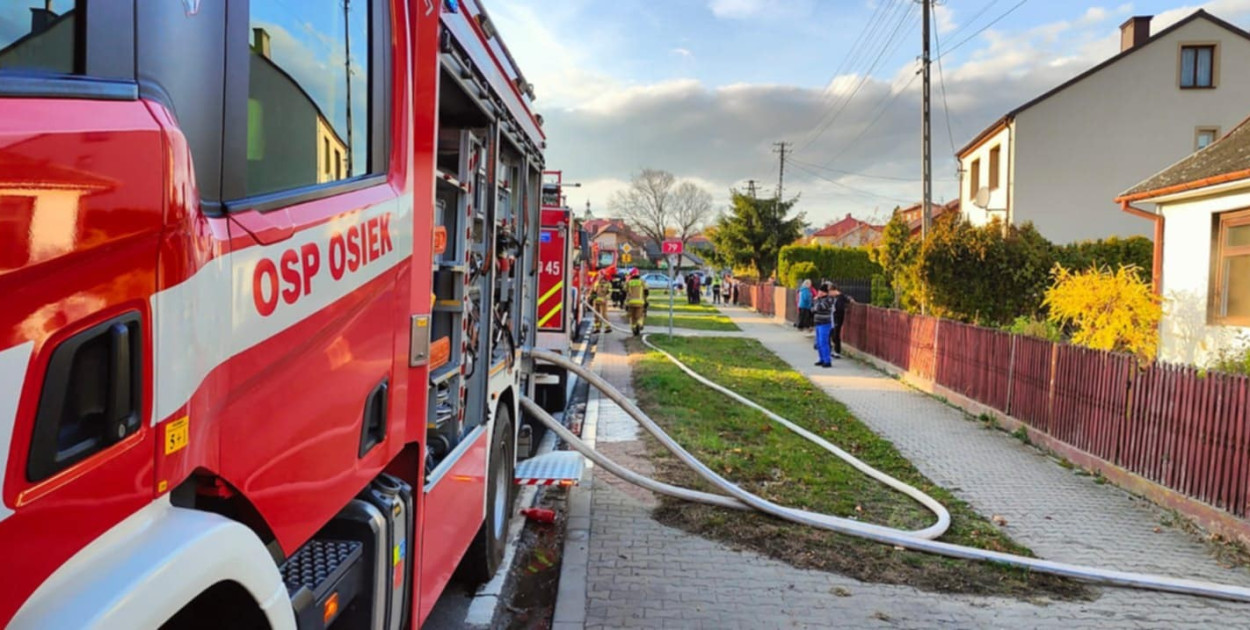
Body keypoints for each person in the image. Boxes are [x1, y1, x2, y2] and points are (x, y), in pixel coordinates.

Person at [812, 282, 835, 368]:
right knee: (818, 343)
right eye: (819, 291)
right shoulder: (819, 299)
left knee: (823, 342)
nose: (819, 293)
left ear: (825, 293)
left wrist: (816, 302)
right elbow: (812, 308)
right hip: (818, 323)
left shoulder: (828, 299)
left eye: (821, 292)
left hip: (825, 323)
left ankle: (827, 360)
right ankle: (821, 359)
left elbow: (819, 307)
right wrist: (816, 303)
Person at [830, 284, 854, 359]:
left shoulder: (841, 297)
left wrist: (851, 300)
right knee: (833, 334)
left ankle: (837, 351)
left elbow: (848, 299)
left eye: (830, 292)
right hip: (834, 317)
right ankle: (834, 349)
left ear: (834, 290)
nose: (830, 294)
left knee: (836, 334)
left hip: (839, 317)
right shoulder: (834, 298)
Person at [625, 269, 648, 336]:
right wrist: (645, 299)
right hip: (640, 302)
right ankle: (639, 324)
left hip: (631, 302)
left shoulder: (629, 282)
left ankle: (634, 327)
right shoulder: (642, 282)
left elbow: (625, 290)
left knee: (632, 316)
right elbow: (646, 291)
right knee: (640, 315)